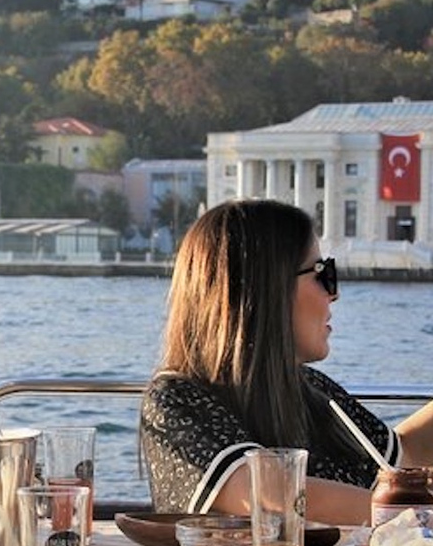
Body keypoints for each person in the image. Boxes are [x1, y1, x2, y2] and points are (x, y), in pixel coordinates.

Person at [140, 198, 433, 525]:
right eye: (323, 273)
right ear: (266, 288)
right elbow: (268, 494)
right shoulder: (177, 399)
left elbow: (401, 460)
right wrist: (416, 517)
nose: (334, 293)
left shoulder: (311, 388)